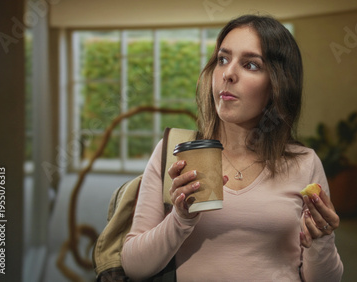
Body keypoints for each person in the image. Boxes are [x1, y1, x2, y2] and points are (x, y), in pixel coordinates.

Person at [121, 14, 343, 281]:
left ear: (278, 84)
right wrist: (181, 219)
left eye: (250, 65)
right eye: (223, 59)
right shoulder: (176, 152)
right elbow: (134, 267)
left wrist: (321, 240)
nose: (227, 73)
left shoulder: (305, 163)